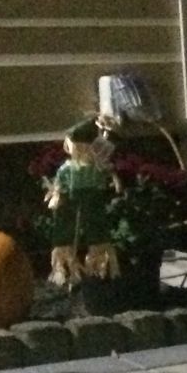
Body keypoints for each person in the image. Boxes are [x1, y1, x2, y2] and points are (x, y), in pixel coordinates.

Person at [45, 117, 120, 286]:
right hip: (74, 198)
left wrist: (111, 181)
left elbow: (105, 175)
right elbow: (60, 183)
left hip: (91, 197)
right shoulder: (69, 168)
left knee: (95, 225)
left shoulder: (95, 166)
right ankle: (69, 266)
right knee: (67, 226)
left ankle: (97, 264)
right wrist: (57, 194)